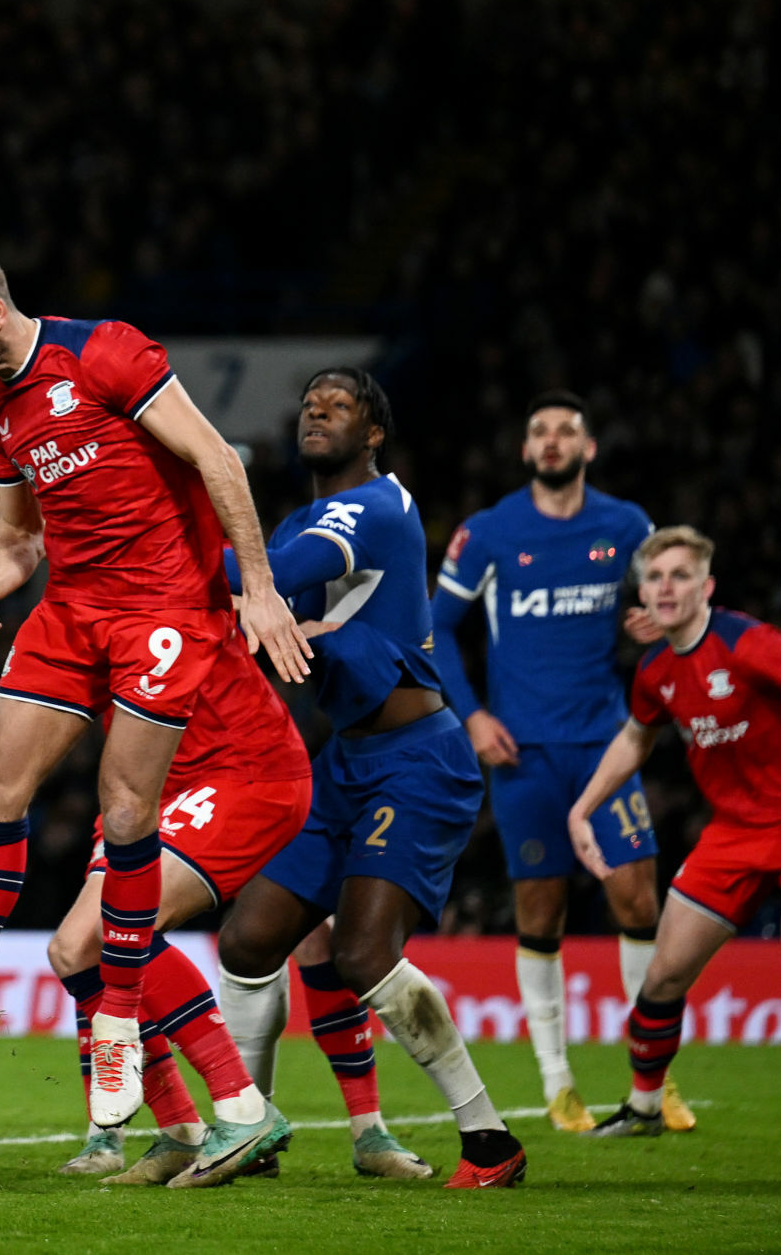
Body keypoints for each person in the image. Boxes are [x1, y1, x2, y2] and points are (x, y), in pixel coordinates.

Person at [0, 248, 311, 1183]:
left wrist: (258, 587)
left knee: (122, 809)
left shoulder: (104, 354)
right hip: (73, 607)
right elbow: (19, 535)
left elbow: (216, 455)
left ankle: (122, 1022)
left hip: (162, 609)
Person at [212, 369, 528, 1190]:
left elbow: (273, 579)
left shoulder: (377, 506)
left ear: (374, 431)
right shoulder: (298, 523)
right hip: (347, 764)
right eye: (310, 403)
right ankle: (250, 1132)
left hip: (419, 761)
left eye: (339, 404)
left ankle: (491, 1140)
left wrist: (165, 533)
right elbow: (265, 607)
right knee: (249, 941)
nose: (317, 410)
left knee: (361, 952)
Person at [571, 526, 781, 1148]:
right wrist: (583, 809)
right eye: (654, 578)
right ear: (643, 594)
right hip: (733, 834)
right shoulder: (656, 668)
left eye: (680, 576)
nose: (665, 587)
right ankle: (645, 1106)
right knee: (663, 977)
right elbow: (635, 738)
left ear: (706, 587)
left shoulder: (747, 642)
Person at [45, 708, 434, 1185]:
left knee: (317, 936)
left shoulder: (181, 648)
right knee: (91, 942)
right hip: (144, 795)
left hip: (243, 775)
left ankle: (367, 1131)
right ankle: (130, 1130)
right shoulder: (97, 656)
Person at [433, 391, 682, 1132]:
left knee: (639, 899)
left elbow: (662, 610)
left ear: (589, 446)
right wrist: (472, 714)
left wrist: (650, 622)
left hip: (608, 744)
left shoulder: (627, 525)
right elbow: (438, 627)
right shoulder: (489, 533)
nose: (550, 440)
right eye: (538, 429)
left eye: (565, 430)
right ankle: (558, 1081)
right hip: (525, 752)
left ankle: (654, 1081)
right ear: (524, 449)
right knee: (542, 910)